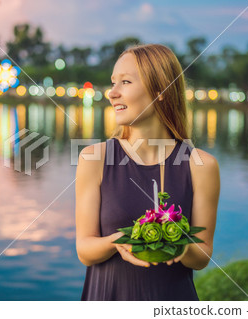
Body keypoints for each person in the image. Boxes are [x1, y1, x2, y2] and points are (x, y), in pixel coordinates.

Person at [75, 43, 220, 301]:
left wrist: (176, 243)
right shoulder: (93, 159)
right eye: (113, 82)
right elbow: (84, 249)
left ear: (161, 90)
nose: (112, 93)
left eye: (125, 82)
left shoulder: (202, 166)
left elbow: (203, 256)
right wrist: (119, 240)